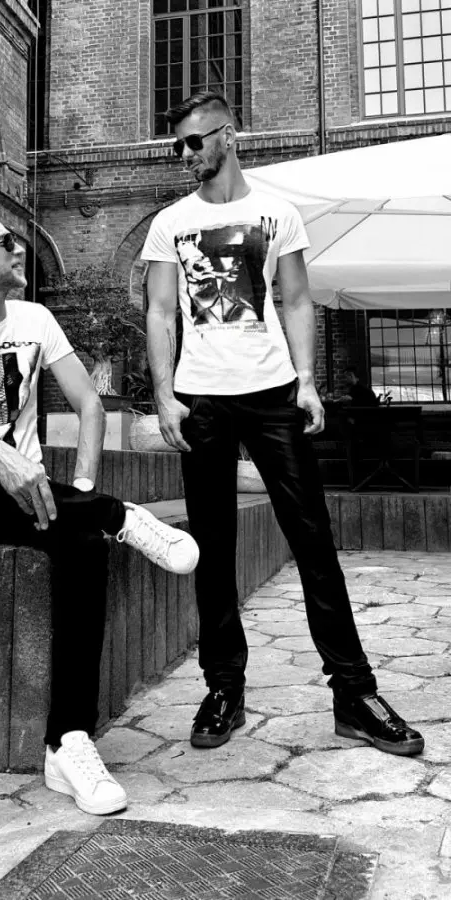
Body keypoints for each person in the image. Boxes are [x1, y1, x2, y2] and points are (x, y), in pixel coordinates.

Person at [142, 91, 424, 757]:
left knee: (313, 539)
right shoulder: (170, 223)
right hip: (202, 399)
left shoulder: (278, 214)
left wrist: (306, 379)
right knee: (213, 547)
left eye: (194, 141)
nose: (185, 154)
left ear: (228, 136)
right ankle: (224, 688)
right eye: (178, 144)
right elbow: (159, 311)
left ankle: (354, 693)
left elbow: (296, 299)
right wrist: (164, 394)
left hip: (272, 393)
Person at [0, 208, 199, 817]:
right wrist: (6, 459)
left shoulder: (36, 319)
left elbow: (89, 403)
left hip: (36, 501)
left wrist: (82, 486)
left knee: (86, 545)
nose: (18, 248)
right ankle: (115, 514)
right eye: (4, 241)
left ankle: (68, 741)